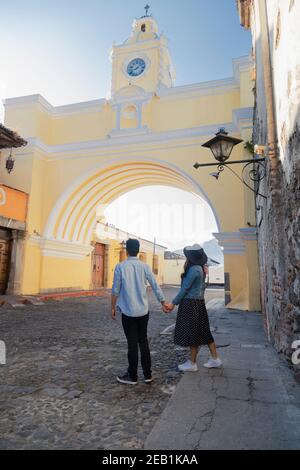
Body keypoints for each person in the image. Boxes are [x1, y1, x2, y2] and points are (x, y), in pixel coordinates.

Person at [111, 238, 169, 385]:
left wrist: (112, 307)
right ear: (138, 250)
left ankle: (132, 375)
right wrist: (162, 302)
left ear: (127, 250)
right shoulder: (145, 267)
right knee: (143, 341)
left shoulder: (120, 267)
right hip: (143, 312)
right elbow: (155, 285)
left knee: (132, 343)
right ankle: (148, 374)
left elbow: (115, 290)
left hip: (128, 312)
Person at [165, 244, 222, 372]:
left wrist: (173, 303)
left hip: (190, 304)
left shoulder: (194, 270)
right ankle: (215, 358)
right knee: (204, 331)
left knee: (192, 332)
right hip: (199, 303)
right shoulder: (201, 269)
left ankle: (192, 363)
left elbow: (185, 289)